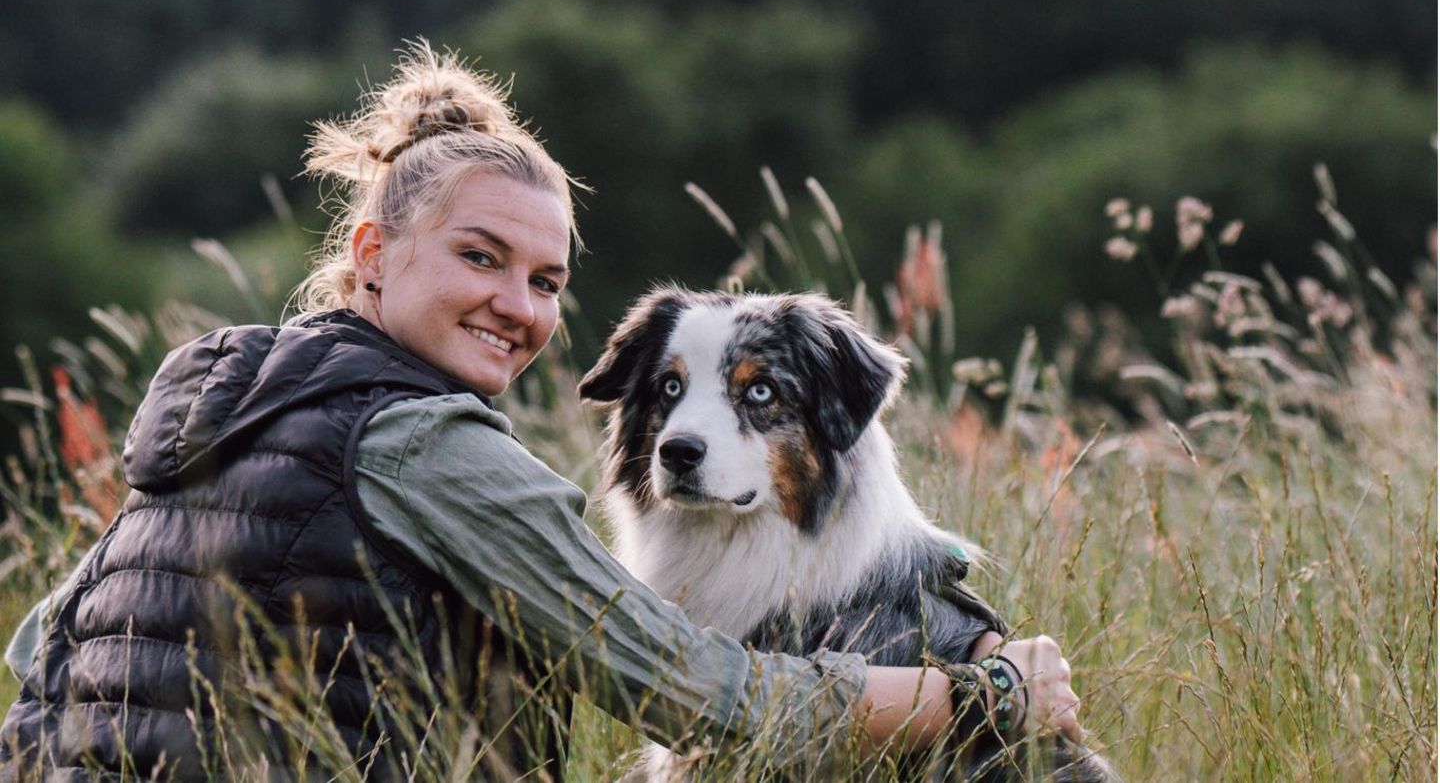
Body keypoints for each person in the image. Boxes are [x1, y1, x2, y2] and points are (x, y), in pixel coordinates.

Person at [0, 42, 1084, 781]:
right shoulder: (425, 442)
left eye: (547, 281)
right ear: (373, 255)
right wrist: (981, 696)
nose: (517, 308)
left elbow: (40, 655)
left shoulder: (229, 396)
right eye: (481, 258)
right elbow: (699, 695)